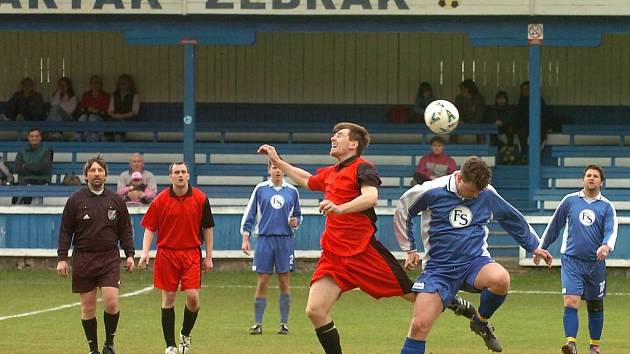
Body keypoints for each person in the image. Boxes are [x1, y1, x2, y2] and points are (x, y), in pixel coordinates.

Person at [258, 122, 477, 354]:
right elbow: (306, 179)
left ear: (353, 144)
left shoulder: (363, 167)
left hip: (363, 252)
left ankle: (452, 301)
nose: (333, 138)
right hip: (334, 256)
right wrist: (278, 161)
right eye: (334, 135)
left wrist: (340, 208)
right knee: (315, 310)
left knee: (414, 296)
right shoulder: (331, 173)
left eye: (339, 135)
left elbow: (370, 197)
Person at [394, 156, 553, 354]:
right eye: (472, 192)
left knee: (501, 279)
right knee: (419, 327)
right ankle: (452, 300)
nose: (476, 196)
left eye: (479, 191)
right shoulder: (431, 190)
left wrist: (534, 246)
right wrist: (409, 249)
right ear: (459, 178)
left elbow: (511, 218)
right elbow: (403, 209)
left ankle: (480, 321)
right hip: (439, 270)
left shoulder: (486, 193)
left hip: (474, 263)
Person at [56, 155, 135, 354]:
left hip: (109, 257)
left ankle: (109, 343)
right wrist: (62, 259)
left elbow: (125, 229)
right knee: (88, 308)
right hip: (83, 258)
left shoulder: (115, 200)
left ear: (106, 176)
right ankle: (93, 349)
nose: (97, 174)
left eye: (100, 170)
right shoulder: (75, 200)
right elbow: (65, 230)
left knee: (111, 301)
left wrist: (130, 254)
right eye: (93, 170)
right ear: (86, 176)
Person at [536, 164, 618, 354]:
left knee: (595, 306)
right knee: (571, 301)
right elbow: (554, 225)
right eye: (588, 175)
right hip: (571, 261)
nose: (591, 178)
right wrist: (541, 248)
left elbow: (611, 230)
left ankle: (594, 346)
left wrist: (606, 245)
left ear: (601, 182)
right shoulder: (570, 201)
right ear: (583, 179)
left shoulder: (606, 207)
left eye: (595, 176)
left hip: (595, 264)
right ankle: (571, 343)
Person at [139, 161, 215, 354]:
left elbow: (208, 228)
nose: (180, 175)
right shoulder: (161, 199)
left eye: (183, 172)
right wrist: (145, 252)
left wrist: (209, 257)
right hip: (167, 253)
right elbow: (150, 228)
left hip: (191, 253)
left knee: (193, 297)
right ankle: (170, 345)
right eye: (176, 172)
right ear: (170, 176)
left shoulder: (200, 198)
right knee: (169, 297)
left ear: (188, 175)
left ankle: (185, 334)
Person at [241, 159, 303, 335]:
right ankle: (258, 323)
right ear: (269, 169)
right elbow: (250, 214)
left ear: (284, 170)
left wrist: (295, 222)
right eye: (274, 167)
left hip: (285, 241)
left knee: (284, 281)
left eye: (280, 168)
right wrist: (245, 236)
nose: (277, 171)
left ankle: (284, 323)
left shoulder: (292, 191)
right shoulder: (260, 189)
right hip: (265, 240)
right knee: (263, 281)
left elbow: (298, 215)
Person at [12, 127, 53, 205]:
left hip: (41, 180)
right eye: (32, 136)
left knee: (27, 189)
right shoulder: (22, 151)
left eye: (36, 136)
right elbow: (18, 168)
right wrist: (34, 167)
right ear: (28, 138)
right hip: (25, 180)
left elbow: (42, 169)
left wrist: (26, 166)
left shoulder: (46, 151)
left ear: (40, 138)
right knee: (16, 195)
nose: (34, 138)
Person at [106, 74, 140, 141]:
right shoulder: (114, 95)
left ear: (130, 84)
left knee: (122, 121)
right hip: (116, 117)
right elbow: (110, 110)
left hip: (129, 118)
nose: (123, 85)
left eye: (125, 83)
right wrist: (115, 116)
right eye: (121, 83)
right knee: (109, 121)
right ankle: (107, 137)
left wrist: (122, 116)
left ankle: (120, 136)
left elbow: (135, 112)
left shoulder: (135, 95)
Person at [76, 75, 110, 142]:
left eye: (97, 83)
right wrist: (88, 109)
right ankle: (77, 136)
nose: (95, 85)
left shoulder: (105, 96)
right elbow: (81, 109)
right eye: (94, 83)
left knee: (92, 117)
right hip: (86, 117)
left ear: (100, 84)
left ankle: (93, 136)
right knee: (83, 117)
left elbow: (106, 111)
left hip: (100, 118)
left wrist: (96, 110)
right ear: (91, 84)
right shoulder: (86, 95)